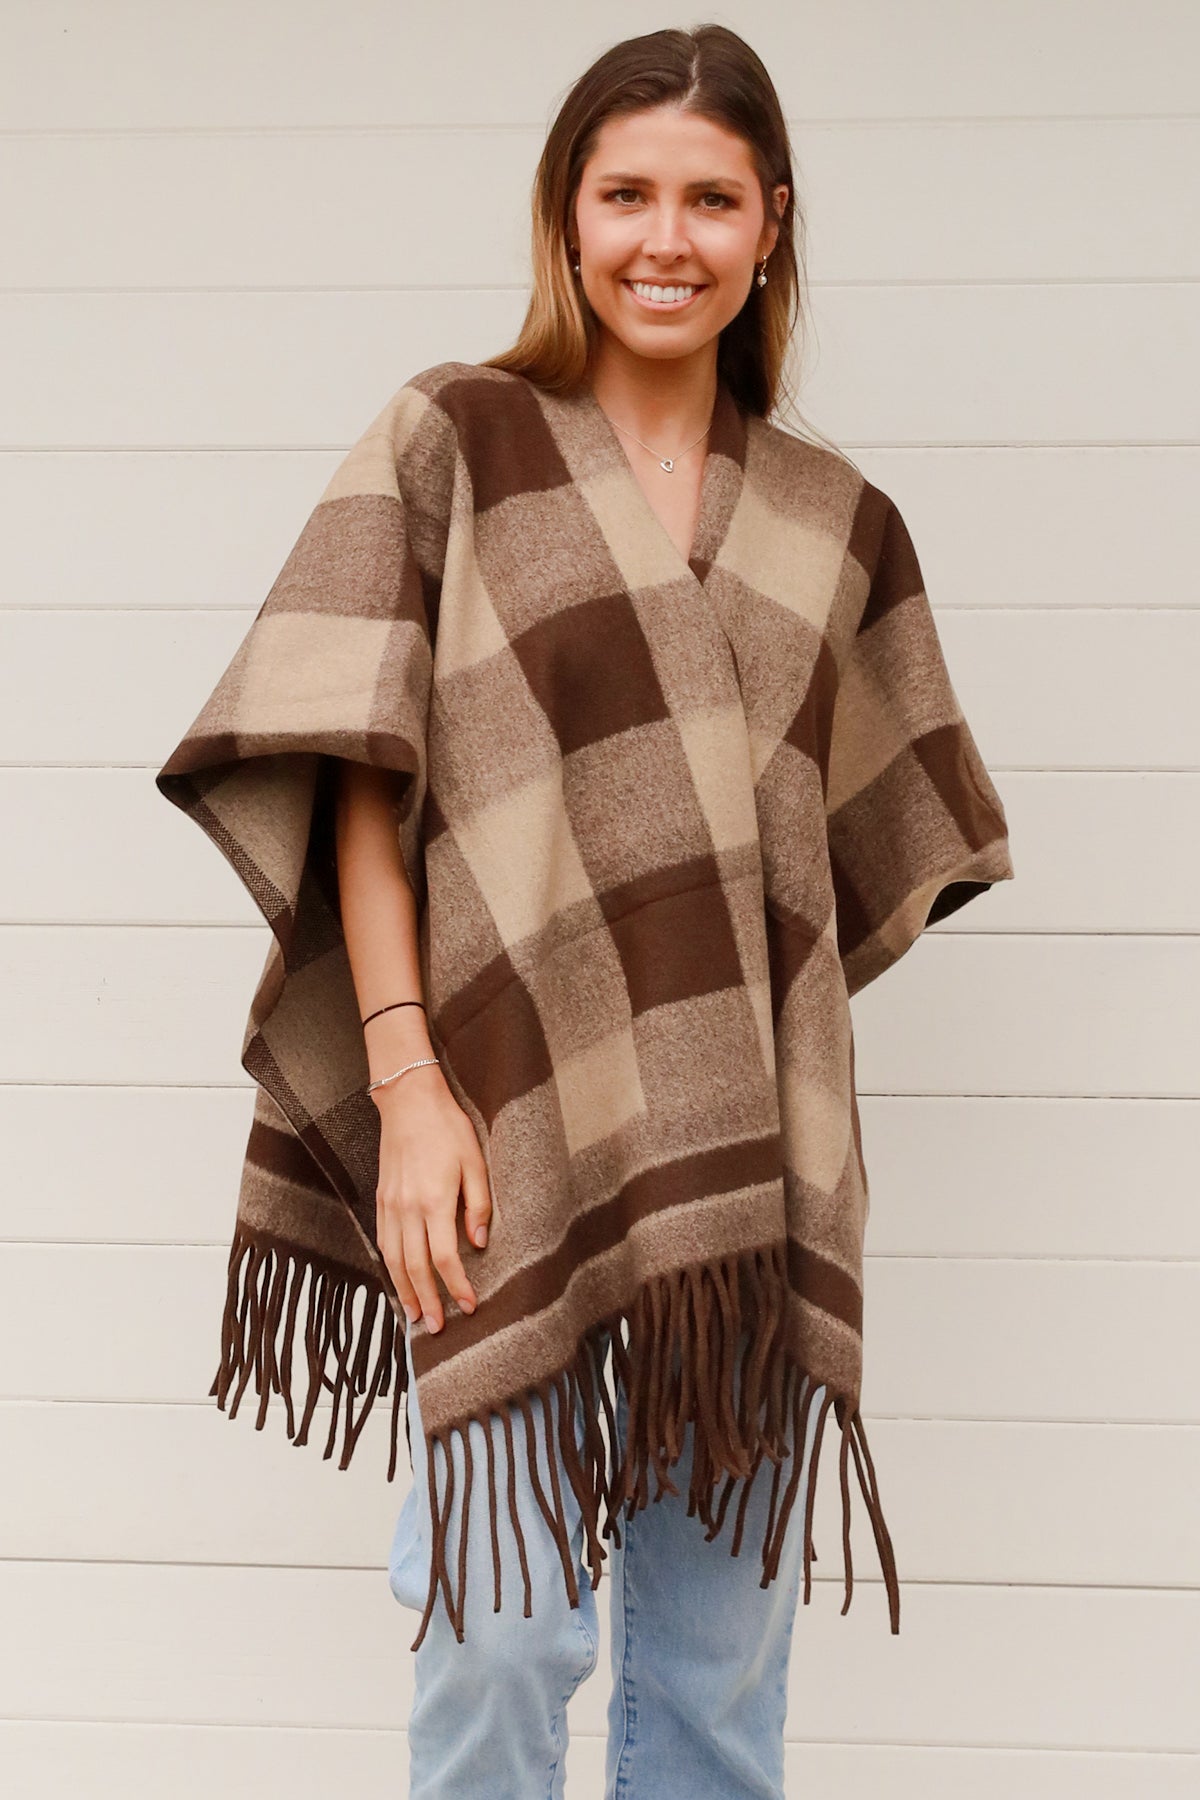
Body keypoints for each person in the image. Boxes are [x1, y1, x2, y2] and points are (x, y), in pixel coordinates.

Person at [156, 22, 1013, 1800]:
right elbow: (359, 776)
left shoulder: (841, 525)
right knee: (499, 1643)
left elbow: (839, 877)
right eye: (625, 195)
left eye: (711, 199)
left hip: (748, 1170)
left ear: (772, 223)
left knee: (715, 1690)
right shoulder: (456, 438)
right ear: (566, 214)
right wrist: (406, 1083)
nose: (665, 240)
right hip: (492, 1127)